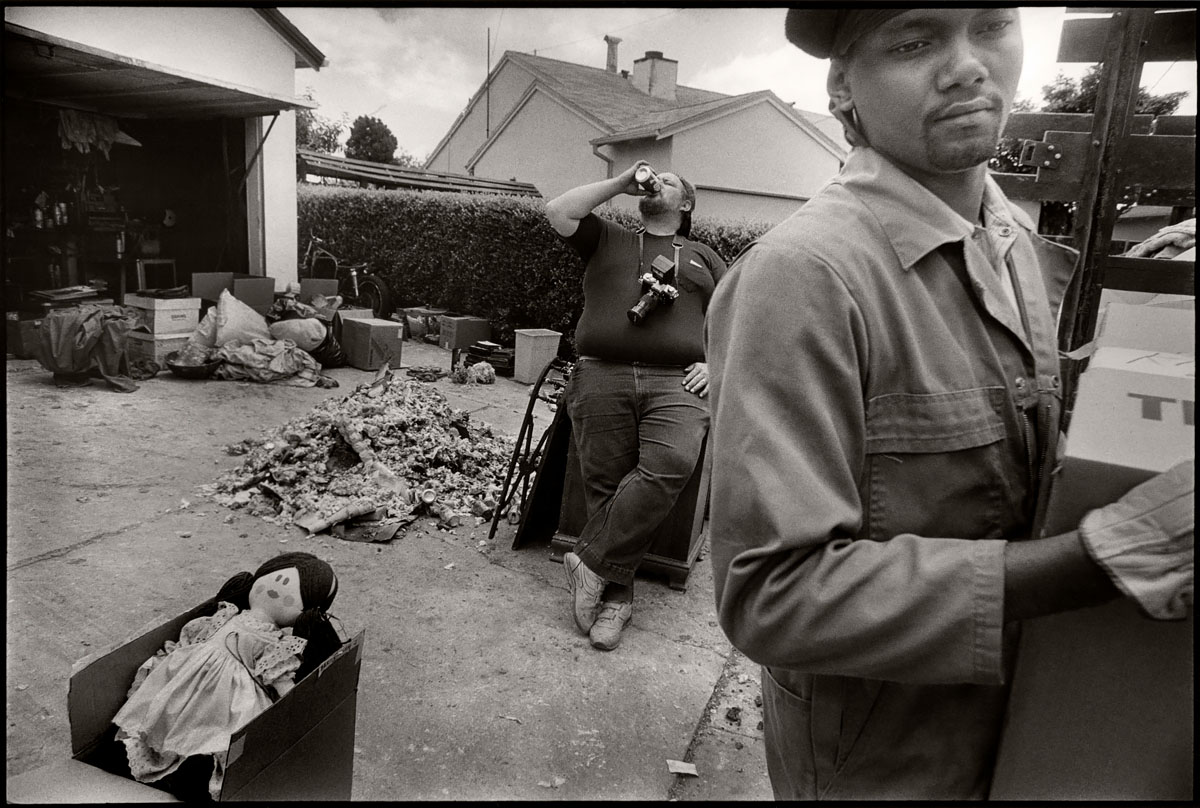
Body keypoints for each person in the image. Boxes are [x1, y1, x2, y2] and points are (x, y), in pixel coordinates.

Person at [705, 7, 1193, 800]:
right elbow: (772, 600)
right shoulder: (802, 277)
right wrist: (1099, 558)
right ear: (842, 87)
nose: (967, 65)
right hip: (883, 763)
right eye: (915, 40)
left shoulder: (1011, 240)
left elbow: (997, 419)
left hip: (1024, 731)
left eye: (991, 26)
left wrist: (1114, 371)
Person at [545, 161, 727, 651]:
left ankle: (587, 560)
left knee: (671, 463)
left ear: (686, 204)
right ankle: (616, 601)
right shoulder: (608, 238)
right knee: (606, 488)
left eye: (670, 182)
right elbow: (558, 210)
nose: (656, 182)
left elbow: (735, 318)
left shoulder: (704, 256)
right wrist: (621, 183)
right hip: (601, 372)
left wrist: (717, 363)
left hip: (679, 382)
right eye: (653, 179)